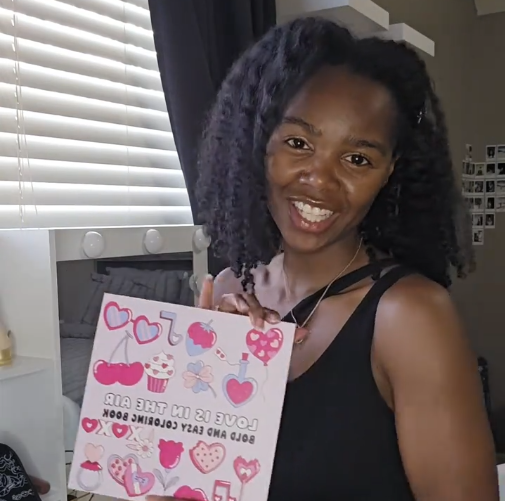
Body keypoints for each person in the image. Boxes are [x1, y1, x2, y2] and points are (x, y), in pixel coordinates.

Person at [150, 17, 498, 501]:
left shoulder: (410, 317)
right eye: (298, 144)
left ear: (388, 172)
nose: (320, 181)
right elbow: (187, 480)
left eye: (357, 159)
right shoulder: (229, 290)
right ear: (260, 143)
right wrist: (202, 376)